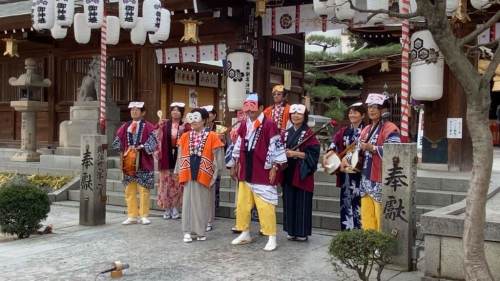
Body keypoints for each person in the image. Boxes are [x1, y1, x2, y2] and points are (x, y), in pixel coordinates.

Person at [228, 93, 287, 251]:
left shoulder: (269, 124)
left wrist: (275, 167)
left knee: (265, 205)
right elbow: (238, 144)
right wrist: (233, 163)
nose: (249, 111)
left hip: (263, 170)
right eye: (247, 107)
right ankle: (244, 231)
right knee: (242, 204)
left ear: (261, 108)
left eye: (253, 107)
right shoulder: (244, 124)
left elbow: (276, 146)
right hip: (246, 169)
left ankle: (271, 236)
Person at [175, 108, 225, 243]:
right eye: (191, 118)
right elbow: (180, 155)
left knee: (203, 203)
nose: (194, 122)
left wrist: (215, 174)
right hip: (188, 172)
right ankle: (187, 231)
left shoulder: (213, 136)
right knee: (187, 203)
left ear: (204, 120)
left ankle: (200, 231)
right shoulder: (185, 136)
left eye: (197, 118)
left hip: (205, 173)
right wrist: (177, 171)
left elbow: (218, 156)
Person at [359, 93, 400, 231]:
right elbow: (356, 150)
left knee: (380, 215)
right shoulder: (365, 129)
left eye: (376, 107)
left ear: (383, 109)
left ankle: (380, 248)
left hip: (380, 177)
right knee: (367, 215)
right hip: (365, 177)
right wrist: (347, 161)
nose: (371, 110)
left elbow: (395, 151)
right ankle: (369, 245)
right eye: (370, 107)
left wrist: (373, 148)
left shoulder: (390, 128)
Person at [112, 102, 158, 225]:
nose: (134, 111)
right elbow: (117, 141)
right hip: (128, 161)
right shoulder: (125, 126)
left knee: (144, 189)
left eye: (137, 110)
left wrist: (142, 147)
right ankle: (132, 215)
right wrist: (122, 149)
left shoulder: (149, 126)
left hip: (144, 161)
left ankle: (144, 215)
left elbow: (154, 141)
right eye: (132, 110)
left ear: (143, 112)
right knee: (129, 189)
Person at [323, 102, 366, 231]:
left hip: (359, 172)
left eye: (355, 112)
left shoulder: (366, 130)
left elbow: (361, 149)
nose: (352, 114)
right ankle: (346, 231)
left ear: (363, 115)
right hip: (346, 174)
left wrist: (346, 159)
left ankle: (359, 230)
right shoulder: (344, 131)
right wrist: (328, 154)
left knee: (358, 202)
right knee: (346, 201)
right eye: (350, 112)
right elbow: (334, 143)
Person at [281, 104, 320, 241]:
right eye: (293, 114)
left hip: (302, 172)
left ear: (304, 117)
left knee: (302, 202)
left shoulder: (309, 133)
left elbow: (314, 154)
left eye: (299, 114)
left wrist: (296, 153)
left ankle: (302, 232)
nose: (296, 116)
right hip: (287, 172)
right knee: (289, 201)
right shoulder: (285, 133)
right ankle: (291, 230)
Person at [156, 102, 191, 220]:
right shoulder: (165, 124)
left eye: (178, 110)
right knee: (165, 183)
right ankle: (167, 208)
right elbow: (157, 137)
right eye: (173, 110)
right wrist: (159, 128)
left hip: (179, 156)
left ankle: (176, 207)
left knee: (177, 184)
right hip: (166, 156)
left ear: (182, 113)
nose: (175, 112)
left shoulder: (186, 126)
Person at [201, 105, 226, 232]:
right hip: (200, 162)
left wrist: (221, 139)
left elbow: (223, 144)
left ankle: (210, 219)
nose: (209, 116)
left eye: (211, 113)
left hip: (213, 161)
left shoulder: (219, 128)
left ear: (214, 115)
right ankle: (201, 218)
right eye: (206, 113)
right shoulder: (199, 128)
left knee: (212, 191)